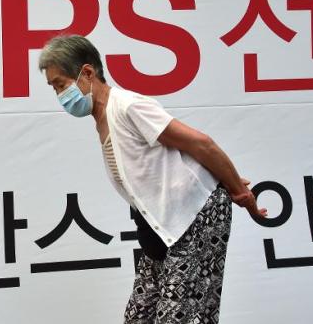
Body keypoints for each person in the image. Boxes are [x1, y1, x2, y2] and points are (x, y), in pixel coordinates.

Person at [37, 34, 268, 324]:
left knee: (181, 318)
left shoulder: (127, 106)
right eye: (54, 88)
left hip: (196, 216)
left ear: (87, 72)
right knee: (139, 318)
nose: (60, 96)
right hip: (161, 227)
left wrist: (240, 194)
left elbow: (201, 144)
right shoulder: (103, 116)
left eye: (61, 85)